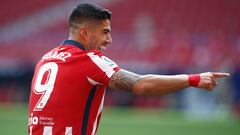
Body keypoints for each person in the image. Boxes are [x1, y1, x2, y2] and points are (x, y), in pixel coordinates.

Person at [27, 3, 230, 135]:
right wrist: (193, 79)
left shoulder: (45, 58)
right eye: (105, 32)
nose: (109, 40)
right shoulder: (89, 60)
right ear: (84, 32)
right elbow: (140, 85)